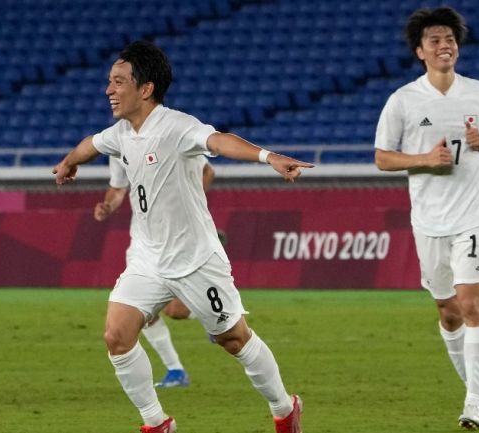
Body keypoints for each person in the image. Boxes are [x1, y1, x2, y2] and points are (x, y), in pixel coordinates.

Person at [53, 40, 312, 433]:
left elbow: (219, 141)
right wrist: (70, 162)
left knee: (233, 338)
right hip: (147, 258)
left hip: (195, 259)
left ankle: (284, 407)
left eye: (118, 82)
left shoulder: (177, 127)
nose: (109, 90)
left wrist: (268, 157)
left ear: (146, 88)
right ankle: (157, 423)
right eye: (109, 81)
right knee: (116, 336)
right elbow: (92, 143)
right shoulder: (122, 132)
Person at [374, 7, 479, 430]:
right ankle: (477, 388)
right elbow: (382, 158)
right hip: (429, 221)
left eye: (449, 38)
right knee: (449, 313)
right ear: (420, 51)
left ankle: (473, 403)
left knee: (471, 304)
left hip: (473, 216)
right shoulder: (403, 100)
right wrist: (425, 160)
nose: (443, 45)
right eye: (434, 40)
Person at [94, 155, 216, 388]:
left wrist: (190, 209)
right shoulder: (117, 143)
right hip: (141, 246)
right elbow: (118, 188)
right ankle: (176, 371)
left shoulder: (169, 131)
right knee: (139, 310)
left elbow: (208, 171)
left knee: (177, 311)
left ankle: (215, 316)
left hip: (175, 240)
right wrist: (108, 205)